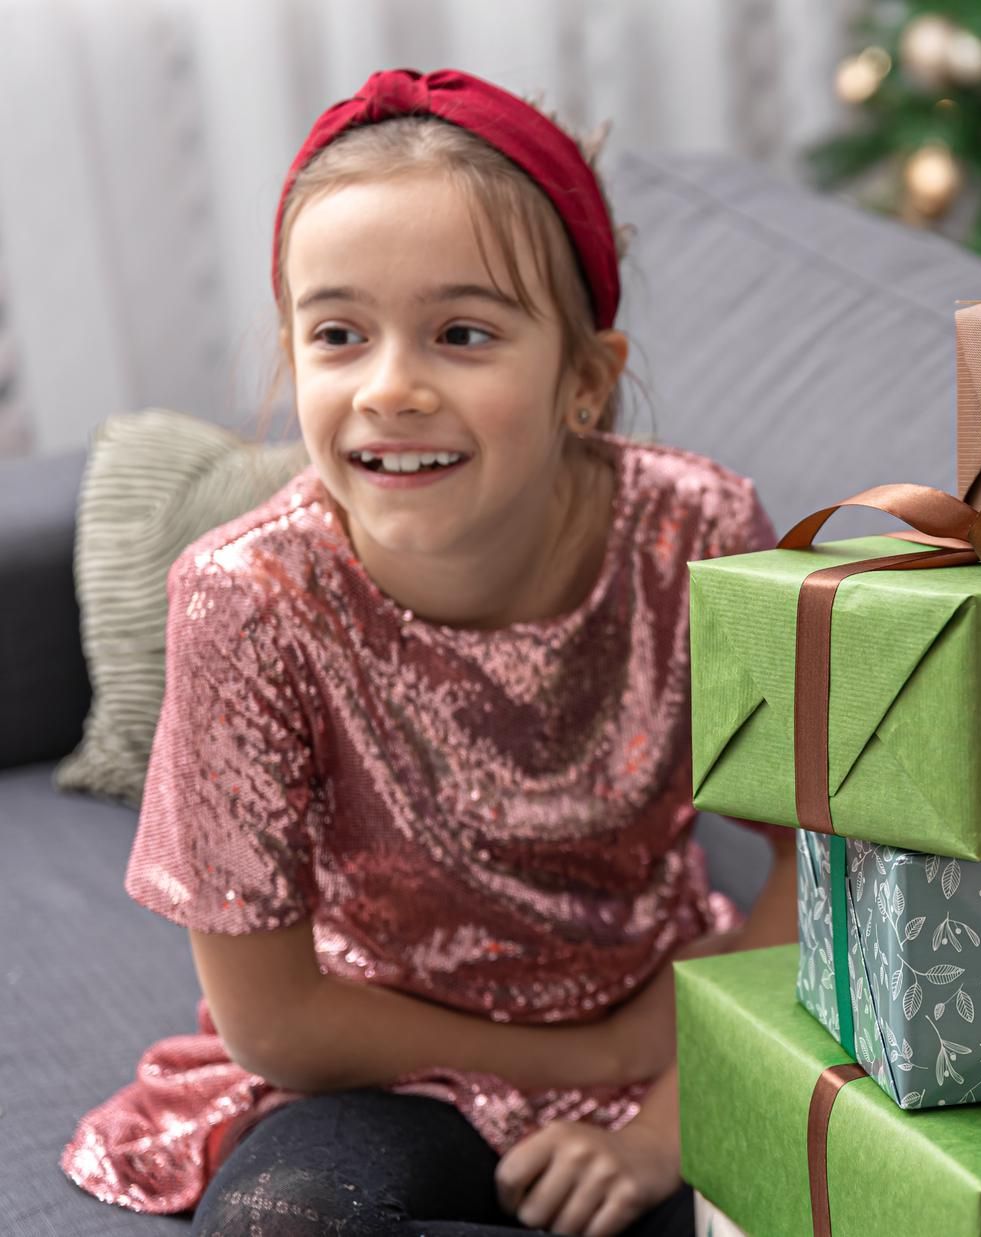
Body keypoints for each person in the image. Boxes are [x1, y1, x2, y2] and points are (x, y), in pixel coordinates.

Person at [60, 68, 795, 1237]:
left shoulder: (695, 534)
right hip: (382, 1055)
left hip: (666, 1032)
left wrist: (666, 1120)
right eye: (338, 335)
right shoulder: (244, 601)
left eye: (462, 334)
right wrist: (587, 1051)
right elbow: (274, 1022)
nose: (390, 387)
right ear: (293, 356)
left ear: (583, 381)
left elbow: (827, 862)